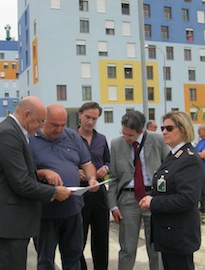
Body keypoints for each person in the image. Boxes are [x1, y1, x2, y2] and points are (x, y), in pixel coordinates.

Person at [0, 96, 72, 270]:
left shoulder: (15, 132)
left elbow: (16, 173)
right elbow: (21, 183)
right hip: (5, 224)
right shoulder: (8, 134)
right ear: (27, 114)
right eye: (40, 121)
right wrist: (54, 193)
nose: (40, 127)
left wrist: (40, 175)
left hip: (11, 224)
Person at [29, 103, 99, 270]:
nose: (59, 129)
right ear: (44, 121)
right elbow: (23, 174)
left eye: (62, 125)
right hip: (45, 213)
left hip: (73, 210)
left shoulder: (72, 136)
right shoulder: (30, 139)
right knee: (45, 260)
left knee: (73, 257)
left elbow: (87, 164)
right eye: (54, 125)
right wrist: (43, 172)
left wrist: (92, 179)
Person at [139, 111, 204, 270]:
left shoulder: (188, 159)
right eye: (162, 128)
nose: (164, 132)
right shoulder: (173, 156)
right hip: (169, 232)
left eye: (169, 128)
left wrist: (153, 202)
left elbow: (187, 198)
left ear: (182, 129)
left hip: (179, 233)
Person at [108, 110, 170, 270]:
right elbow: (113, 177)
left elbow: (169, 168)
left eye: (130, 135)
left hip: (153, 198)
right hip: (128, 199)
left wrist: (164, 197)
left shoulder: (157, 139)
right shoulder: (116, 144)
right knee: (127, 248)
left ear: (141, 131)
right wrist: (113, 205)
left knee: (156, 248)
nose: (126, 138)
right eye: (124, 133)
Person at [77, 102, 110, 270]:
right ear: (80, 116)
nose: (90, 122)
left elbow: (108, 161)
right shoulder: (69, 137)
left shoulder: (102, 139)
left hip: (99, 191)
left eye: (94, 119)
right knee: (77, 238)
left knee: (101, 237)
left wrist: (105, 167)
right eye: (87, 117)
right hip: (78, 192)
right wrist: (74, 171)